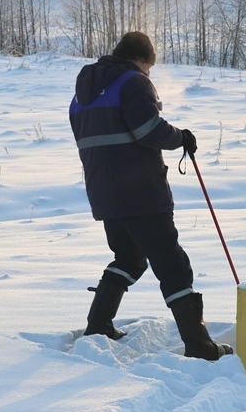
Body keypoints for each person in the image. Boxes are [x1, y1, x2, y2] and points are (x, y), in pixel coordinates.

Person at [69, 31, 233, 361]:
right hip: (140, 192)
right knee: (173, 265)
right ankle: (199, 345)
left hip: (104, 194)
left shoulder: (83, 94)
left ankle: (98, 326)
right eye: (149, 66)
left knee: (129, 259)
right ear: (139, 59)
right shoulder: (133, 82)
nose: (149, 72)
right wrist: (182, 137)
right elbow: (147, 130)